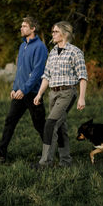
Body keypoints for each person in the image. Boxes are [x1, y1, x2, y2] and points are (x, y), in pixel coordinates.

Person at [0, 16, 57, 163]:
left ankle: (52, 152)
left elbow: (37, 72)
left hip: (33, 93)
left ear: (33, 28)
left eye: (24, 26)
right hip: (19, 92)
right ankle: (1, 154)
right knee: (10, 121)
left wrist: (24, 89)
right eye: (21, 26)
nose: (21, 28)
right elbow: (20, 70)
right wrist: (15, 87)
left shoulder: (40, 47)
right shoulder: (22, 46)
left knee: (39, 124)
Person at [32, 21, 88, 168]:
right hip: (53, 93)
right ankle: (66, 161)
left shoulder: (75, 52)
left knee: (50, 124)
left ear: (65, 33)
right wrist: (39, 94)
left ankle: (45, 162)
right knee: (60, 126)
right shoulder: (52, 52)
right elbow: (46, 75)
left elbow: (82, 76)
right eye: (52, 31)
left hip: (67, 93)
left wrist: (81, 98)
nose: (53, 34)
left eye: (56, 31)